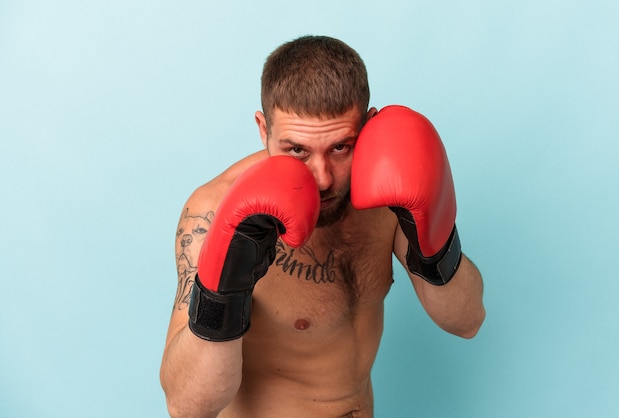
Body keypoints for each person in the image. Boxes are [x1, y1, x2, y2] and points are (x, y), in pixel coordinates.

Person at [160, 35, 485, 418]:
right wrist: (223, 290)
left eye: (340, 148)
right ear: (263, 130)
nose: (323, 177)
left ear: (367, 126)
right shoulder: (215, 213)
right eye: (297, 149)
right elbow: (187, 407)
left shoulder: (386, 197)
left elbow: (466, 321)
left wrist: (435, 242)